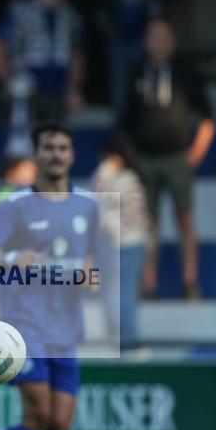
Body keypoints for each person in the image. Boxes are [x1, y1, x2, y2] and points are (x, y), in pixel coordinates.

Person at [0, 123, 100, 430]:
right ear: (37, 155)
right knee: (38, 411)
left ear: (72, 155)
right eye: (49, 148)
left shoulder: (88, 207)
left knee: (59, 425)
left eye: (63, 148)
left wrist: (89, 277)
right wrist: (12, 259)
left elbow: (89, 261)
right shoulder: (14, 204)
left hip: (65, 327)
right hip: (23, 325)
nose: (56, 154)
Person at [120, 17, 214, 299]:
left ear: (172, 40)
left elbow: (208, 117)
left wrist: (195, 154)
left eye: (164, 36)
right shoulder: (136, 72)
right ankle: (149, 283)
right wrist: (130, 158)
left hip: (177, 157)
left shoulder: (186, 72)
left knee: (184, 218)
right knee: (148, 223)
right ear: (145, 41)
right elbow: (124, 121)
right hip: (144, 159)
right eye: (153, 36)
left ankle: (190, 281)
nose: (159, 42)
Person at [0, 0, 85, 121]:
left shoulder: (71, 16)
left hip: (57, 92)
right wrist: (8, 81)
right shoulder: (18, 10)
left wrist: (74, 89)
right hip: (24, 88)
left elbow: (77, 56)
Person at [90, 134, 148, 345]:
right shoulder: (120, 178)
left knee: (125, 291)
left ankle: (128, 336)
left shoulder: (127, 179)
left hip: (129, 244)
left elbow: (100, 198)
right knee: (113, 293)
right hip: (116, 245)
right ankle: (117, 335)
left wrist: (104, 173)